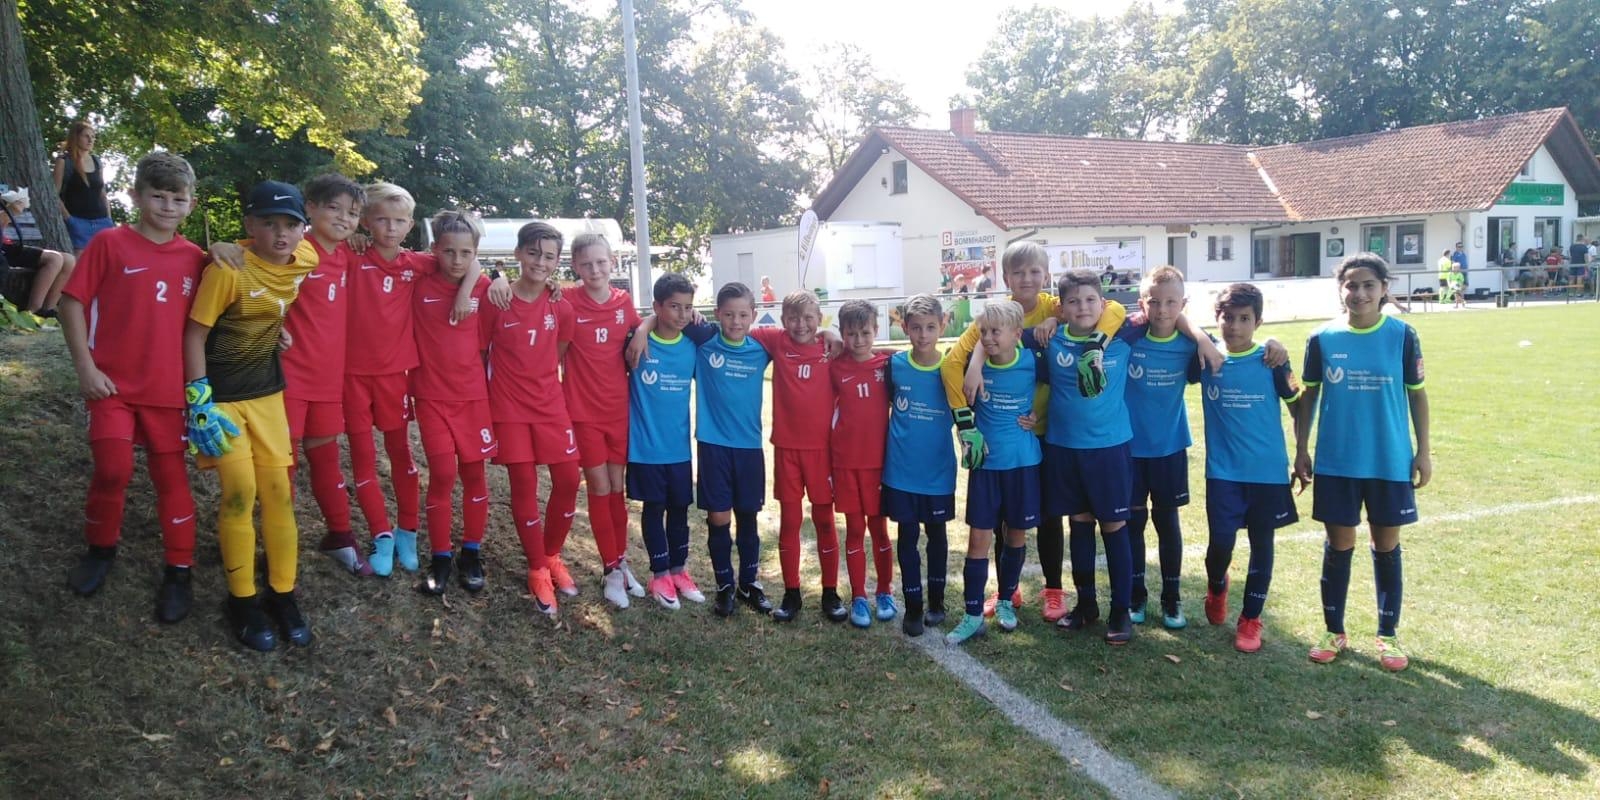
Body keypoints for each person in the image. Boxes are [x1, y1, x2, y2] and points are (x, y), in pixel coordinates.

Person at [1018, 268, 1219, 646]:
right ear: (1061, 307)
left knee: (1114, 527)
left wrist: (1204, 339)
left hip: (1110, 451)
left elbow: (1168, 315)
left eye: (1090, 300)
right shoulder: (1051, 338)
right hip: (1065, 448)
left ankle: (1121, 610)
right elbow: (1000, 336)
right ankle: (1086, 605)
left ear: (1103, 303)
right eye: (1073, 301)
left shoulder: (1123, 334)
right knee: (1079, 526)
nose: (1083, 307)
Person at [941, 240, 1128, 625]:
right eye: (1018, 272)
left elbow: (1113, 309)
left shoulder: (1057, 307)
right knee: (1004, 520)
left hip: (1049, 431)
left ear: (1046, 276)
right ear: (1005, 277)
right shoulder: (1000, 315)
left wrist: (1058, 323)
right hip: (1008, 435)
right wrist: (975, 366)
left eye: (1034, 271)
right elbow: (962, 355)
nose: (1027, 278)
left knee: (1049, 516)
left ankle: (1054, 590)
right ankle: (1006, 590)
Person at [57, 152, 205, 624]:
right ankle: (100, 549)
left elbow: (228, 308)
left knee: (171, 479)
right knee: (113, 469)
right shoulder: (109, 243)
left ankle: (179, 571)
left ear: (191, 204)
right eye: (157, 196)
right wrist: (85, 368)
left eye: (177, 199)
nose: (167, 206)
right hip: (112, 385)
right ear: (136, 196)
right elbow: (70, 303)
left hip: (169, 391)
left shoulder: (198, 259)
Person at [209, 175, 371, 576]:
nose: (343, 218)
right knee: (284, 466)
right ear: (309, 208)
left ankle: (339, 535)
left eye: (352, 213)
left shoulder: (348, 254)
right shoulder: (293, 247)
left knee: (327, 458)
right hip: (287, 376)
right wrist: (220, 246)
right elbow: (248, 257)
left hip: (329, 378)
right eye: (333, 208)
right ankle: (272, 546)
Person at [183, 180, 319, 651]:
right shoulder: (227, 270)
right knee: (240, 493)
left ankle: (283, 593)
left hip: (268, 395)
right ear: (249, 225)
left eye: (291, 224)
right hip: (222, 400)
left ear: (303, 229)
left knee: (279, 493)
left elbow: (275, 299)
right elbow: (194, 334)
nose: (281, 234)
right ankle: (241, 599)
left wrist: (274, 330)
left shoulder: (306, 257)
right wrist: (198, 400)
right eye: (268, 223)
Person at [1295, 253, 1431, 672]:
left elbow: (1417, 395)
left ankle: (1387, 635)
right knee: (1339, 546)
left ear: (1384, 288)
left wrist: (1423, 451)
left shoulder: (1403, 336)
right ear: (1341, 290)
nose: (1359, 293)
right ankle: (1333, 631)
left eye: (1369, 285)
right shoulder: (1322, 338)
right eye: (1351, 285)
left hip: (1389, 460)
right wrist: (1301, 449)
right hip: (1337, 462)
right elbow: (1309, 396)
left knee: (1385, 546)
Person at [344, 184, 483, 577]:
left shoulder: (417, 263)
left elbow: (469, 259)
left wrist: (467, 292)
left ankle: (407, 531)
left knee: (401, 455)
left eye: (399, 221)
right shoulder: (351, 254)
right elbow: (302, 248)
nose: (390, 228)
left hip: (395, 377)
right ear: (365, 221)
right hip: (351, 375)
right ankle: (381, 534)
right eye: (382, 219)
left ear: (409, 225)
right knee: (363, 461)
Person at [1195, 283, 1305, 653]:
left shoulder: (1272, 361)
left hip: (1267, 473)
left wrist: (1302, 451)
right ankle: (1217, 585)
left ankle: (1251, 618)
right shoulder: (1206, 356)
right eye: (1228, 318)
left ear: (1258, 321)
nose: (1235, 326)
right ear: (1217, 319)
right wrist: (1202, 338)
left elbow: (1297, 404)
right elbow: (1179, 324)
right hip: (1223, 473)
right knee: (1220, 544)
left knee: (1262, 544)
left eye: (1244, 319)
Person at [480, 221, 580, 615]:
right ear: (519, 253)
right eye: (534, 253)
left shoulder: (562, 305)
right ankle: (536, 567)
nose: (541, 262)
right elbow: (481, 353)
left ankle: (551, 554)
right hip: (508, 408)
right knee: (524, 485)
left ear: (558, 262)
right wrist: (496, 278)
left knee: (568, 480)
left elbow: (557, 353)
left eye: (549, 256)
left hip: (550, 406)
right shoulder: (496, 299)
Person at [945, 301, 1044, 646]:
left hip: (1022, 463)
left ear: (1017, 334)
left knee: (1016, 535)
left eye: (994, 332)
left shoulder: (1033, 360)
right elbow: (950, 370)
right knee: (978, 540)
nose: (987, 338)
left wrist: (1038, 415)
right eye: (983, 331)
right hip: (986, 466)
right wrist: (975, 362)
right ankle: (972, 614)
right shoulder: (974, 365)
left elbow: (1057, 388)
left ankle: (1005, 599)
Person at [750, 291, 846, 623]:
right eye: (793, 318)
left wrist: (832, 333)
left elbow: (866, 352)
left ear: (819, 319)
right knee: (790, 521)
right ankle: (791, 593)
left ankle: (830, 592)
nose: (801, 324)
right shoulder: (777, 341)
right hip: (787, 450)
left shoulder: (830, 347)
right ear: (782, 320)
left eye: (808, 318)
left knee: (824, 521)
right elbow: (738, 327)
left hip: (822, 452)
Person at [624, 273, 716, 609]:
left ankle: (678, 570)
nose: (682, 314)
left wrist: (692, 317)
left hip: (679, 449)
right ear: (657, 306)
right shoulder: (636, 342)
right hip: (645, 449)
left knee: (680, 510)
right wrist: (643, 328)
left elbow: (718, 332)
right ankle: (659, 574)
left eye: (688, 307)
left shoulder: (693, 343)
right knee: (654, 509)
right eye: (674, 306)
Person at [564, 233, 646, 608]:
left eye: (601, 262)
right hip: (583, 413)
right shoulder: (566, 301)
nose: (595, 270)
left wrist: (642, 329)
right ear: (575, 267)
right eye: (586, 264)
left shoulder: (622, 301)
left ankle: (621, 561)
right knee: (598, 488)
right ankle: (610, 569)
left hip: (618, 410)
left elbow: (643, 323)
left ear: (612, 262)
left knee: (617, 489)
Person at [685, 282, 773, 617]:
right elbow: (663, 317)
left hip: (749, 447)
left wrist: (829, 334)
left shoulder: (761, 348)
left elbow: (802, 335)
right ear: (717, 314)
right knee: (719, 517)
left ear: (753, 315)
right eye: (729, 315)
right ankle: (724, 585)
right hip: (713, 446)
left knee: (747, 517)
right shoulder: (704, 341)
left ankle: (749, 584)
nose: (736, 322)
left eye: (743, 315)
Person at [1122, 266, 1197, 629]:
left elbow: (1232, 349)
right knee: (1133, 524)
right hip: (1130, 450)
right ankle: (1136, 595)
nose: (1162, 310)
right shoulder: (1128, 339)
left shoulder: (1192, 346)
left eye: (1171, 302)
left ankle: (1172, 598)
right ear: (1142, 304)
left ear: (1183, 304)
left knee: (1167, 523)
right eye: (1154, 302)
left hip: (1170, 449)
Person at [885, 294, 956, 636]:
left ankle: (937, 602)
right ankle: (913, 606)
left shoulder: (952, 367)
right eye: (916, 328)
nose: (923, 335)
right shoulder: (895, 365)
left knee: (937, 535)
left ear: (943, 325)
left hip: (938, 472)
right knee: (907, 535)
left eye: (930, 327)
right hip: (901, 471)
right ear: (905, 328)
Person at [831, 300, 897, 628]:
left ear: (876, 331)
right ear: (842, 334)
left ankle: (885, 590)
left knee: (879, 530)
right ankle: (858, 595)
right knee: (855, 530)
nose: (858, 340)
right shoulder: (834, 366)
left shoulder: (888, 365)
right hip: (845, 464)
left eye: (865, 333)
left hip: (879, 465)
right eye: (851, 334)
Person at [1, 186, 75, 317]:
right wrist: (8, 213)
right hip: (3, 253)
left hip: (7, 247)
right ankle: (33, 312)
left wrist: (10, 212)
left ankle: (48, 310)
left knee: (69, 260)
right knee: (54, 259)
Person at [52, 121, 114, 252]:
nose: (90, 140)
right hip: (78, 223)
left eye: (93, 136)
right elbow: (54, 195)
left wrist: (109, 218)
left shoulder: (97, 161)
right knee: (81, 262)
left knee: (105, 262)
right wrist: (70, 219)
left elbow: (102, 193)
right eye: (86, 136)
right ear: (76, 137)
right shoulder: (64, 161)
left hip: (102, 222)